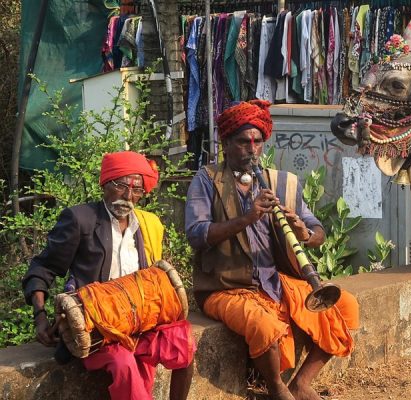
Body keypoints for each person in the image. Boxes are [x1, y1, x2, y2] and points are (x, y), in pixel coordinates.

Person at [185, 100, 359, 400]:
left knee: (346, 306)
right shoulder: (206, 180)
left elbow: (318, 232)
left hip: (273, 281)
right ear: (226, 144)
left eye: (257, 142)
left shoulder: (280, 182)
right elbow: (196, 234)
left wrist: (304, 232)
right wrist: (247, 218)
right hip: (224, 286)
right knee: (265, 326)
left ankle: (301, 383)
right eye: (243, 142)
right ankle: (277, 389)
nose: (251, 149)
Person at [22, 151, 195, 400]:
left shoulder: (145, 225)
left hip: (138, 321)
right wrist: (40, 317)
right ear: (105, 183)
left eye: (136, 189)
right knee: (123, 363)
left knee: (183, 341)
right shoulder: (80, 219)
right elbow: (43, 268)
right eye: (121, 185)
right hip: (97, 327)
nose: (128, 196)